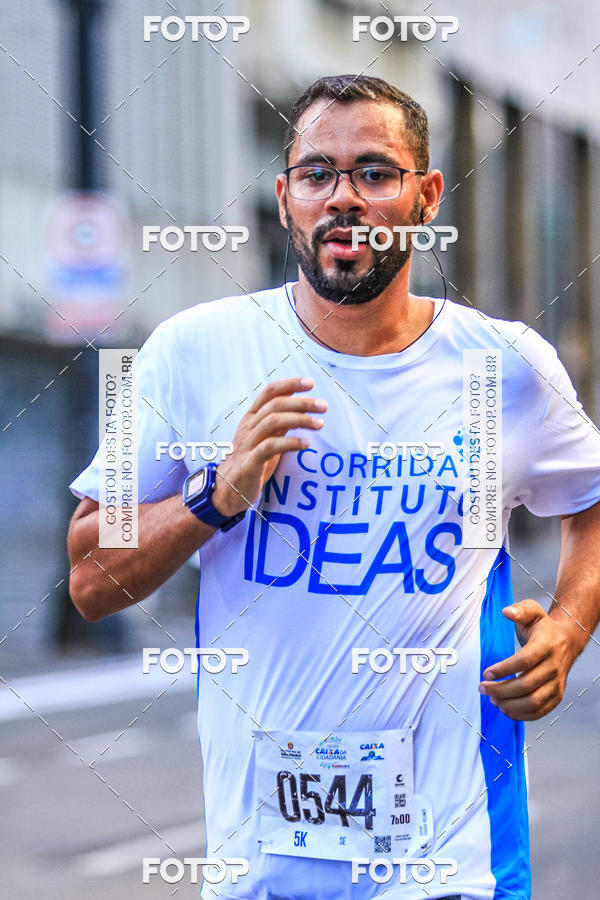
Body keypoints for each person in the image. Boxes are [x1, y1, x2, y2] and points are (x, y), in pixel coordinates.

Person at [67, 74, 600, 899]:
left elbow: (590, 503)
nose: (343, 199)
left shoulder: (504, 367)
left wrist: (567, 627)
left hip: (455, 869)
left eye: (374, 173)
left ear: (426, 197)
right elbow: (90, 578)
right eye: (318, 174)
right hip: (262, 875)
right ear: (285, 200)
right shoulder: (191, 353)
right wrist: (219, 493)